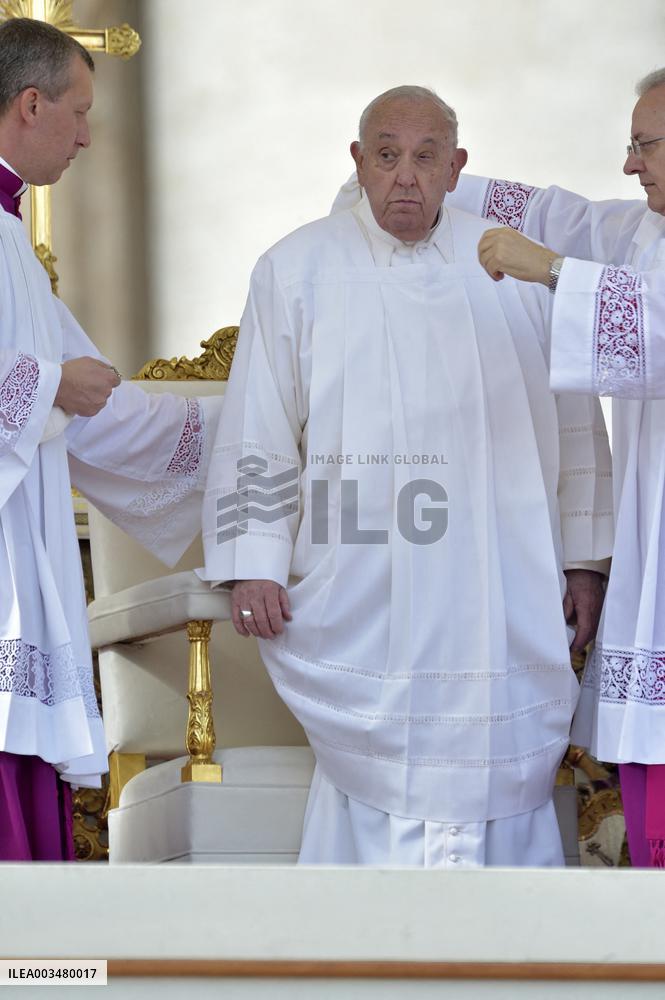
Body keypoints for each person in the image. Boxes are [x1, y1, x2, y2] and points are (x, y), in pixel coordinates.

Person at [201, 85, 612, 867]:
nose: (405, 176)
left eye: (426, 158)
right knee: (381, 767)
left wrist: (584, 560)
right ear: (357, 163)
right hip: (367, 574)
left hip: (501, 577)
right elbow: (258, 421)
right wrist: (252, 560)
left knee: (497, 751)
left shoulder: (510, 262)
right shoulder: (297, 267)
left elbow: (574, 418)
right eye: (386, 156)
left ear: (456, 168)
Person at [0, 18, 221, 860]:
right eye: (79, 112)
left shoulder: (13, 240)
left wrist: (250, 424)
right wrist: (49, 384)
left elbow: (106, 409)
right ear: (29, 105)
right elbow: (65, 386)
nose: (89, 137)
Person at [439, 68, 665, 868]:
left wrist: (551, 274)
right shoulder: (647, 233)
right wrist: (439, 174)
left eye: (645, 145)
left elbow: (654, 332)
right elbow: (563, 216)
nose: (631, 165)